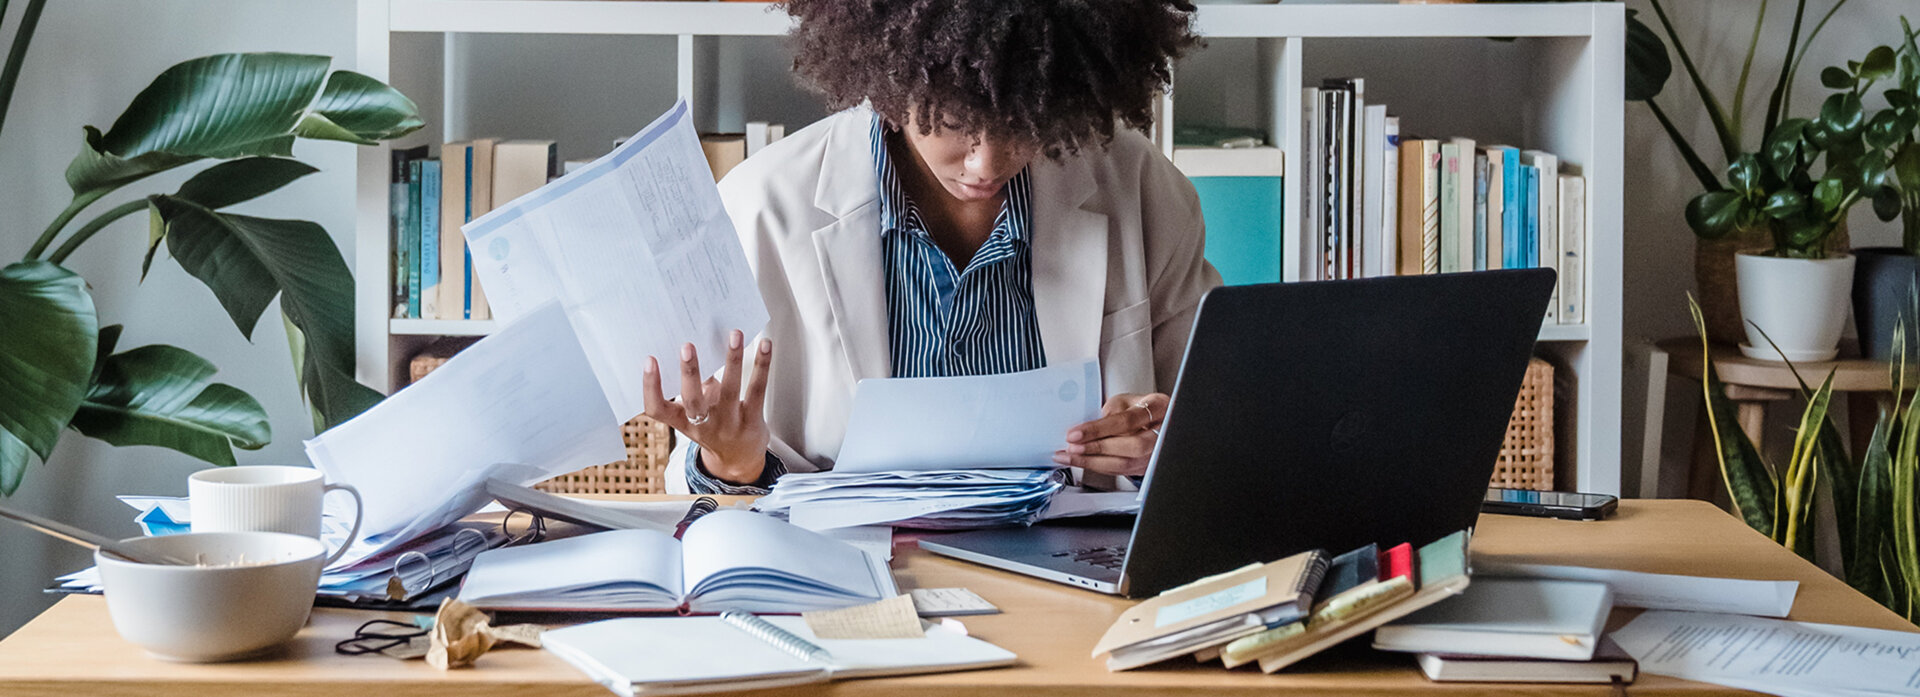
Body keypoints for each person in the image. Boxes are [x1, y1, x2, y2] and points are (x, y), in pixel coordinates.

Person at [646, 0, 1221, 495]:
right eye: (955, 121)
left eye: (1022, 123)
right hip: (851, 588)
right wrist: (732, 462)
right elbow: (705, 490)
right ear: (891, 78)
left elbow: (1223, 425)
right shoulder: (759, 206)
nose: (986, 163)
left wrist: (1167, 443)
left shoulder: (1142, 190)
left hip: (1072, 588)